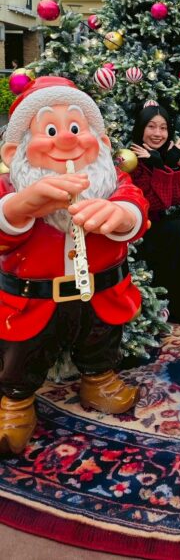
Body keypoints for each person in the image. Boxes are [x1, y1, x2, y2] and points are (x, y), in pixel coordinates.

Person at [0, 76, 149, 456]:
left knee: (100, 339)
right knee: (23, 354)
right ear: (15, 151)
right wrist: (19, 207)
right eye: (49, 130)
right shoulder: (9, 187)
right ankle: (16, 402)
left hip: (101, 291)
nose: (65, 140)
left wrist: (121, 213)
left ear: (100, 143)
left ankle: (98, 379)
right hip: (33, 301)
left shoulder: (113, 180)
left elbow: (136, 206)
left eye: (76, 128)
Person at [130, 103, 180, 324]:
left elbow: (175, 198)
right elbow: (152, 203)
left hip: (155, 227)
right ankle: (175, 304)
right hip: (136, 234)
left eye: (163, 128)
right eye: (151, 127)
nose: (158, 133)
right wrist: (159, 165)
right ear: (141, 128)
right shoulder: (130, 159)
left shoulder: (159, 155)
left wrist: (167, 163)